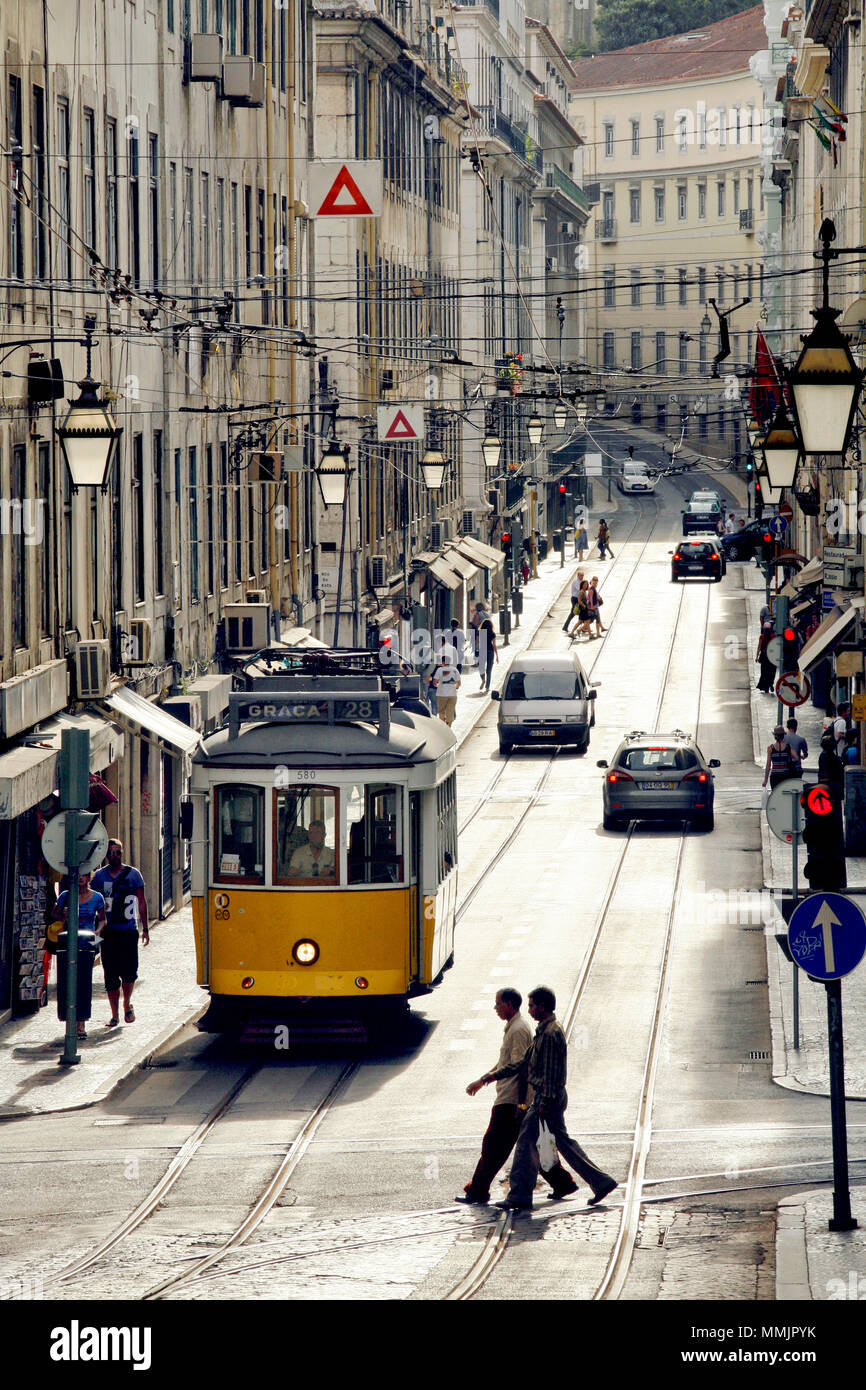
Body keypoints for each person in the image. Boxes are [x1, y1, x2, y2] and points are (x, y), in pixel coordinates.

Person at [477, 986, 619, 1212]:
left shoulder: (551, 1033)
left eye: (532, 1005)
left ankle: (520, 1196)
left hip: (547, 1098)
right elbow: (522, 1064)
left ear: (543, 1007)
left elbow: (553, 1073)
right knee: (564, 1145)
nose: (530, 1009)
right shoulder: (543, 1031)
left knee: (525, 1145)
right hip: (548, 1098)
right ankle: (602, 1182)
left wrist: (543, 1103)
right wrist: (490, 1076)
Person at [458, 989, 578, 1204]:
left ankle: (478, 1190)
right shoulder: (514, 1028)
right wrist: (484, 1078)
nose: (495, 1008)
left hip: (512, 1100)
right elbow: (507, 1063)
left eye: (498, 1004)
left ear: (510, 1005)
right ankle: (562, 1182)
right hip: (512, 1098)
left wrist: (521, 1104)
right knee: (535, 1144)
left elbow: (523, 1068)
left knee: (494, 1145)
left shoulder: (519, 1030)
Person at [92, 840, 149, 1028]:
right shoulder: (99, 877)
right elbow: (93, 903)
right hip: (108, 932)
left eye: (117, 852)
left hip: (128, 931)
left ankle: (127, 1003)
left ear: (122, 853)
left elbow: (141, 901)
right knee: (110, 974)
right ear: (106, 855)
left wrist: (145, 928)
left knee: (130, 972)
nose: (114, 856)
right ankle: (115, 1014)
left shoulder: (134, 875)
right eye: (111, 853)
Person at [52, 872, 107, 1039]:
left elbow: (104, 920)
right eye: (78, 875)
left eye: (84, 875)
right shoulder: (66, 896)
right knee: (68, 983)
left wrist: (97, 934)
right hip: (68, 944)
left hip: (86, 946)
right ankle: (70, 1022)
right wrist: (64, 916)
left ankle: (81, 1023)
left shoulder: (97, 898)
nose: (81, 878)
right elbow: (54, 914)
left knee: (83, 984)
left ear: (89, 878)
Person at [763, 726, 797, 791]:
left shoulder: (770, 748)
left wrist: (765, 780)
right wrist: (788, 761)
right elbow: (796, 758)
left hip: (774, 776)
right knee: (785, 795)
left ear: (775, 736)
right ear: (783, 735)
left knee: (776, 795)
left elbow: (768, 765)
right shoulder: (787, 747)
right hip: (785, 776)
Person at [434, 650, 461, 726]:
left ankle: (443, 726)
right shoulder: (455, 670)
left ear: (442, 662)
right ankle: (449, 726)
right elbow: (458, 683)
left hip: (441, 694)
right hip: (452, 694)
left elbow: (435, 682)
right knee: (450, 711)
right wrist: (454, 687)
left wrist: (438, 685)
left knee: (441, 711)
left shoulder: (439, 670)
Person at [477, 612, 498, 692]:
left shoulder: (481, 633)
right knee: (489, 670)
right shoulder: (492, 634)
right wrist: (497, 656)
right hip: (490, 651)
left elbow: (478, 643)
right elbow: (494, 645)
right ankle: (487, 687)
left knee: (481, 667)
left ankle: (483, 679)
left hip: (482, 651)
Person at [756, 617, 777, 693]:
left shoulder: (762, 637)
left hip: (764, 656)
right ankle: (771, 683)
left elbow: (759, 647)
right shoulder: (774, 636)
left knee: (764, 672)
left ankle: (765, 686)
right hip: (772, 656)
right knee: (772, 671)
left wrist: (757, 657)